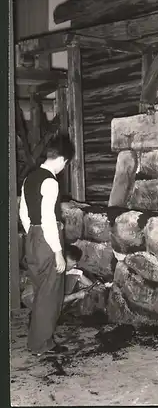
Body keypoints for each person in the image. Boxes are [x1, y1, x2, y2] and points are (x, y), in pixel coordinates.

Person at [19, 134, 75, 356]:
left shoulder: (29, 178)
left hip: (31, 236)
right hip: (47, 238)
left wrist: (32, 232)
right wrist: (58, 252)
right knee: (50, 294)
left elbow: (23, 212)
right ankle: (41, 344)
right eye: (66, 163)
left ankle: (39, 340)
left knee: (41, 289)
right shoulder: (50, 181)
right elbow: (49, 219)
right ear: (62, 159)